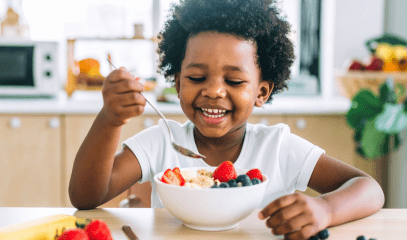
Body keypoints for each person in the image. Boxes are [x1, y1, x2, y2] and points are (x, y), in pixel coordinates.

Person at [69, 0, 385, 239]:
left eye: (233, 82)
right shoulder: (161, 141)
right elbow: (86, 196)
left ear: (262, 92)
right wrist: (110, 120)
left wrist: (325, 209)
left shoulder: (277, 147)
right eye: (196, 77)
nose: (214, 91)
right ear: (177, 82)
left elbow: (369, 188)